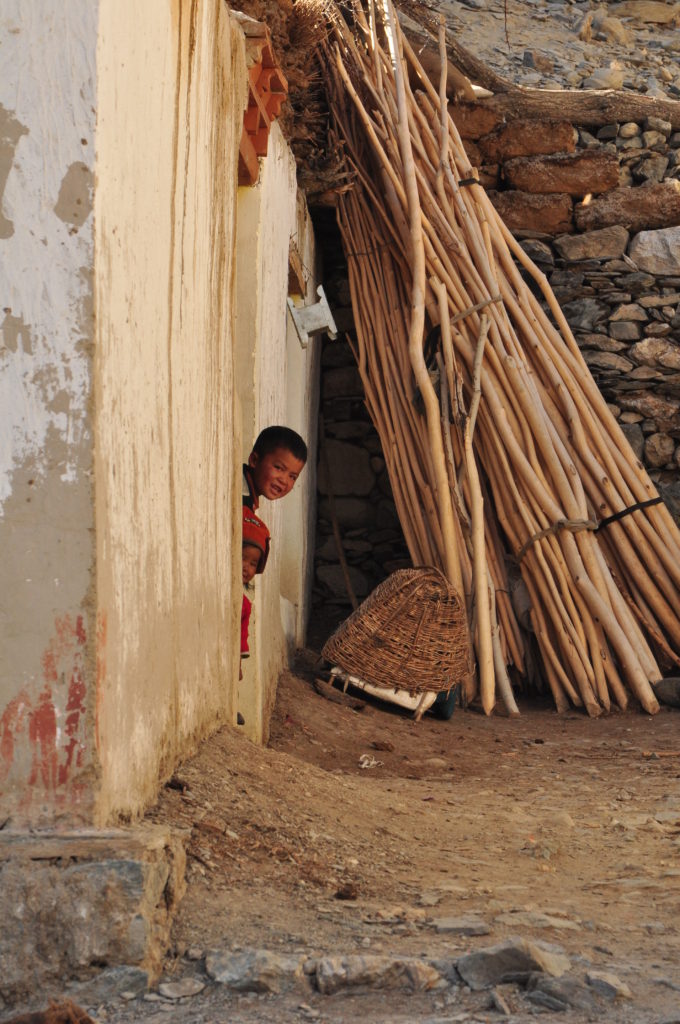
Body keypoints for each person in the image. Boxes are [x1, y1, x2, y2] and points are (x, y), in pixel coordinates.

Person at [242, 425, 307, 512]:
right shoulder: (241, 495)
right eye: (278, 468)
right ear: (254, 460)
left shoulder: (250, 496)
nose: (283, 481)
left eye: (292, 477)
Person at [241, 507, 270, 662]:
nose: (246, 567)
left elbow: (240, 639)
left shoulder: (245, 605)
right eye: (242, 557)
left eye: (253, 563)